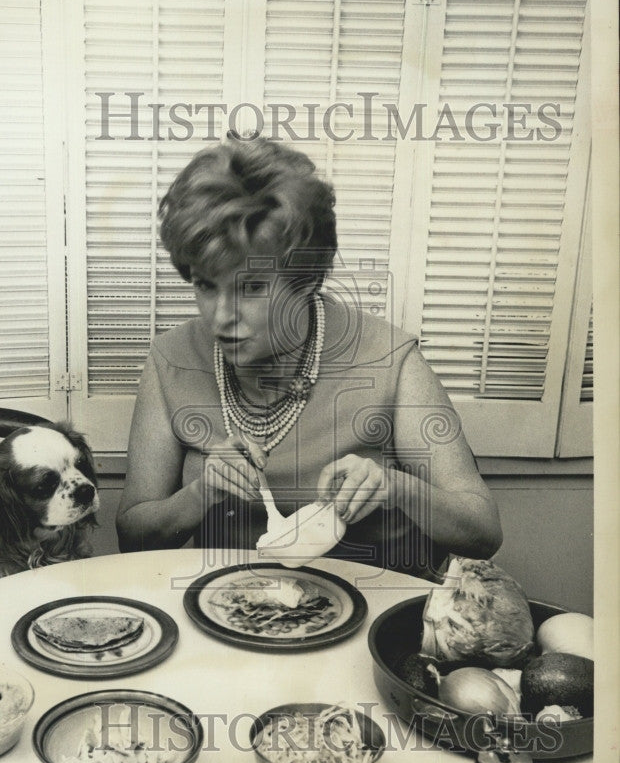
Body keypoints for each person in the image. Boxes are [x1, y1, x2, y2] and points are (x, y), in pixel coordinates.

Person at [116, 136, 502, 580]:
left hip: (374, 616)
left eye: (252, 287)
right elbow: (132, 535)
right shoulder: (171, 361)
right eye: (206, 285)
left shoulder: (390, 359)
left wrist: (394, 487)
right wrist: (200, 494)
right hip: (231, 614)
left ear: (306, 279)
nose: (221, 317)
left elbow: (484, 532)